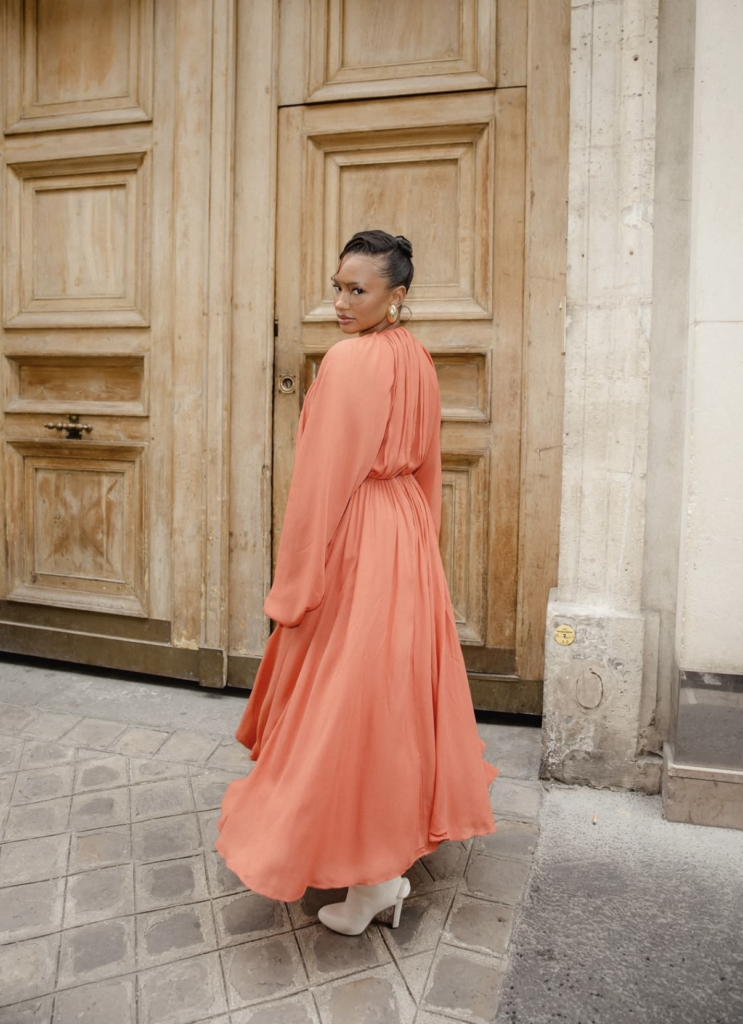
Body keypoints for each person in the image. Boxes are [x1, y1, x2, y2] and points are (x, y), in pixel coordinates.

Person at [216, 230, 497, 935]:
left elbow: (320, 484)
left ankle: (372, 875)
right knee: (388, 696)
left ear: (394, 296)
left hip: (357, 534)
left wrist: (293, 585)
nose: (340, 303)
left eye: (357, 290)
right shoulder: (416, 357)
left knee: (345, 702)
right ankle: (380, 865)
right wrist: (422, 549)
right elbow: (428, 464)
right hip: (405, 531)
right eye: (337, 287)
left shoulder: (346, 362)